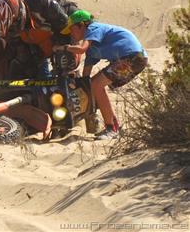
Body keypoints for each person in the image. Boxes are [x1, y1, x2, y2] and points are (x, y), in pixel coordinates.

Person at [54, 10, 148, 140]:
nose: (71, 33)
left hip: (132, 57)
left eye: (72, 29)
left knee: (97, 85)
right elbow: (86, 80)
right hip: (133, 59)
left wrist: (63, 48)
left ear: (81, 25)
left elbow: (81, 49)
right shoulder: (93, 50)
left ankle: (111, 128)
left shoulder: (93, 28)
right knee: (94, 85)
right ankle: (114, 126)